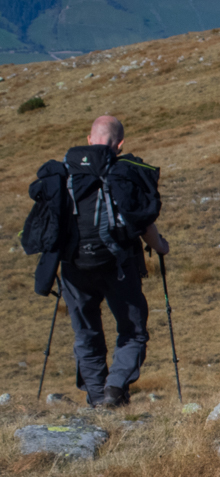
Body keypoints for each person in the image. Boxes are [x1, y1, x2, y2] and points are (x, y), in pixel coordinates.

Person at [52, 116, 168, 407]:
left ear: (89, 139)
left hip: (73, 267)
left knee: (86, 333)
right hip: (119, 264)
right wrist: (161, 247)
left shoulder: (65, 174)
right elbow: (141, 221)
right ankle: (114, 391)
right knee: (133, 331)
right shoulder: (124, 173)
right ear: (120, 144)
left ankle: (96, 400)